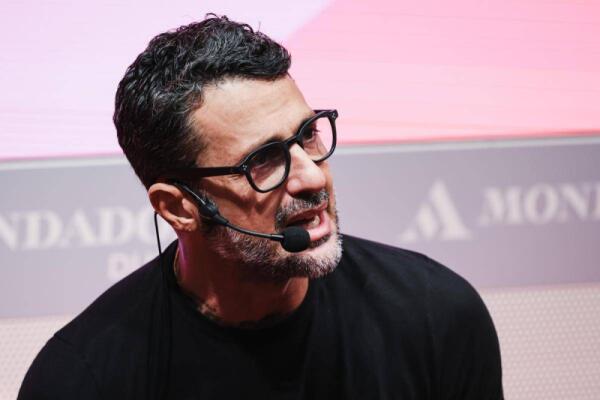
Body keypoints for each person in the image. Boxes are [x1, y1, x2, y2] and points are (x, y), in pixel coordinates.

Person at [19, 15, 503, 399]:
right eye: (264, 160)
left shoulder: (435, 316)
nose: (313, 176)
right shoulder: (82, 380)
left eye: (308, 135)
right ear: (179, 208)